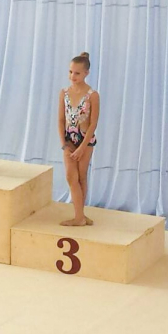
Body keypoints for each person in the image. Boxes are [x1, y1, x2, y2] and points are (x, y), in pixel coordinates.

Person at [58, 52, 99, 226]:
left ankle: (80, 216)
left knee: (81, 177)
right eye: (70, 72)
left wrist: (82, 147)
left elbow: (93, 123)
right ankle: (79, 216)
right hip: (69, 140)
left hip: (85, 141)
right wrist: (64, 144)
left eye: (77, 73)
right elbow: (61, 120)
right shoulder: (64, 93)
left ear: (86, 73)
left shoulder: (92, 95)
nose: (72, 76)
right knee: (70, 176)